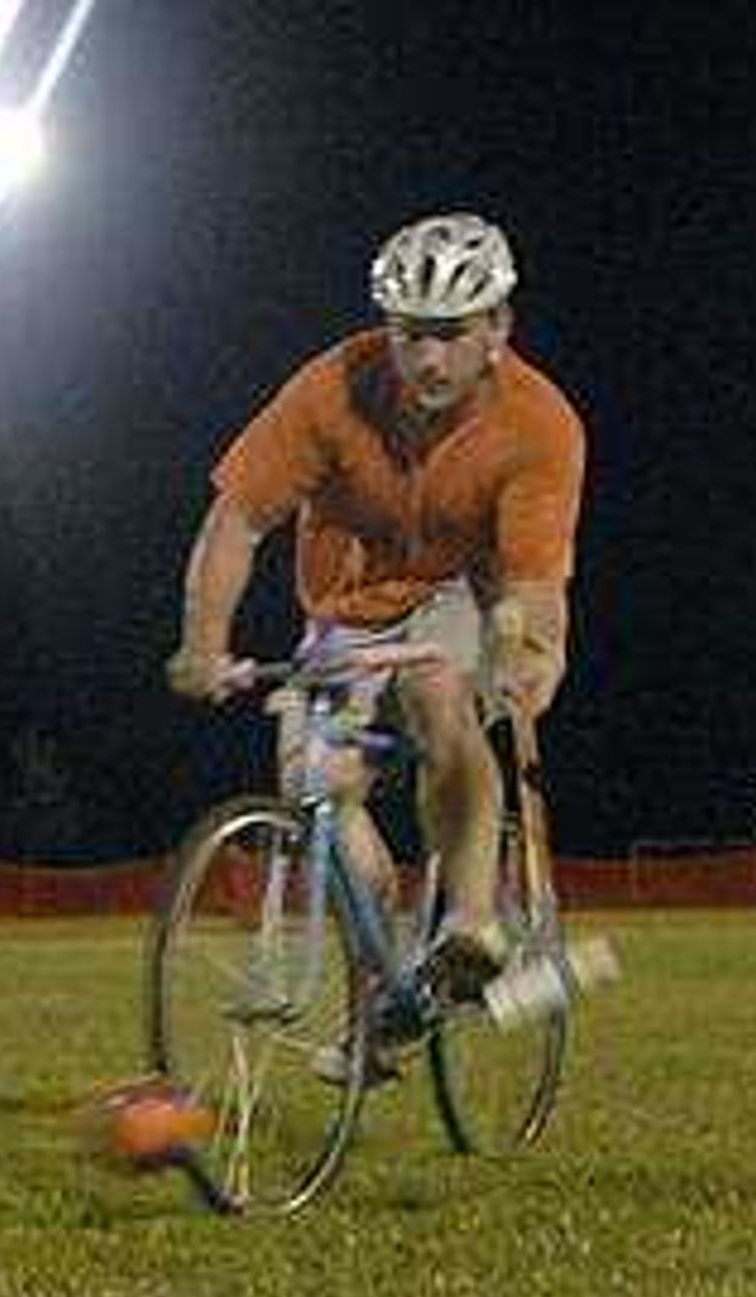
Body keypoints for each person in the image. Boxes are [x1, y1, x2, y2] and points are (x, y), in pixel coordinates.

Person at [166, 212, 585, 1018]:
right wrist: (204, 643)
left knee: (440, 704)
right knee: (314, 789)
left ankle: (470, 924)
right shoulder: (329, 391)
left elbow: (534, 579)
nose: (427, 358)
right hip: (341, 612)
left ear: (498, 325)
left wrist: (535, 655)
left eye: (451, 333)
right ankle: (391, 979)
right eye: (409, 334)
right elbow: (237, 519)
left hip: (457, 590)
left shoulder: (540, 424)